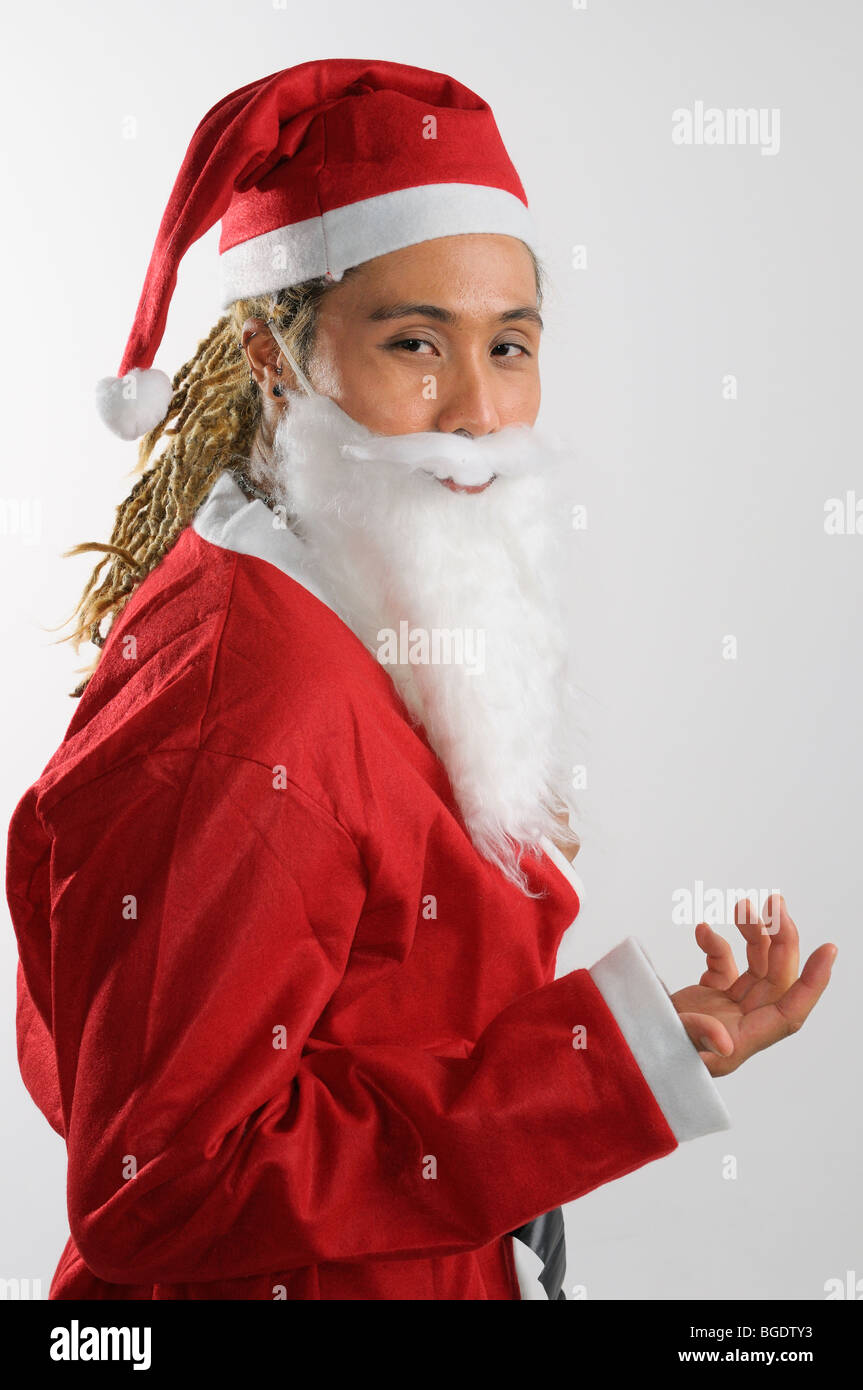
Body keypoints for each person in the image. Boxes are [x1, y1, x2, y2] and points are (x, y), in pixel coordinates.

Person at [5, 58, 836, 1302]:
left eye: (510, 345)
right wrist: (598, 1070)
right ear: (273, 359)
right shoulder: (246, 714)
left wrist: (649, 1045)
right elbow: (158, 1179)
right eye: (412, 344)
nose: (480, 412)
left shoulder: (353, 590)